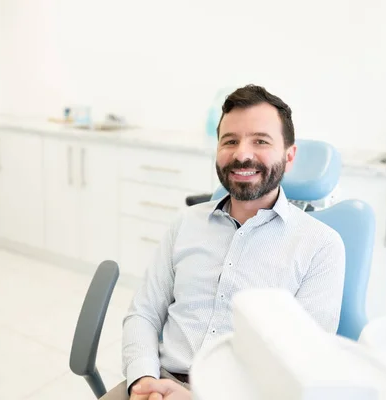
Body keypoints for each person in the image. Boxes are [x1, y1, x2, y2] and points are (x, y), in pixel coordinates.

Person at [102, 84, 346, 400]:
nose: (242, 154)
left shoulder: (322, 246)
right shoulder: (186, 223)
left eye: (260, 141)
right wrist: (142, 379)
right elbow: (144, 313)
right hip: (158, 385)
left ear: (289, 156)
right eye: (230, 141)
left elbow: (304, 367)